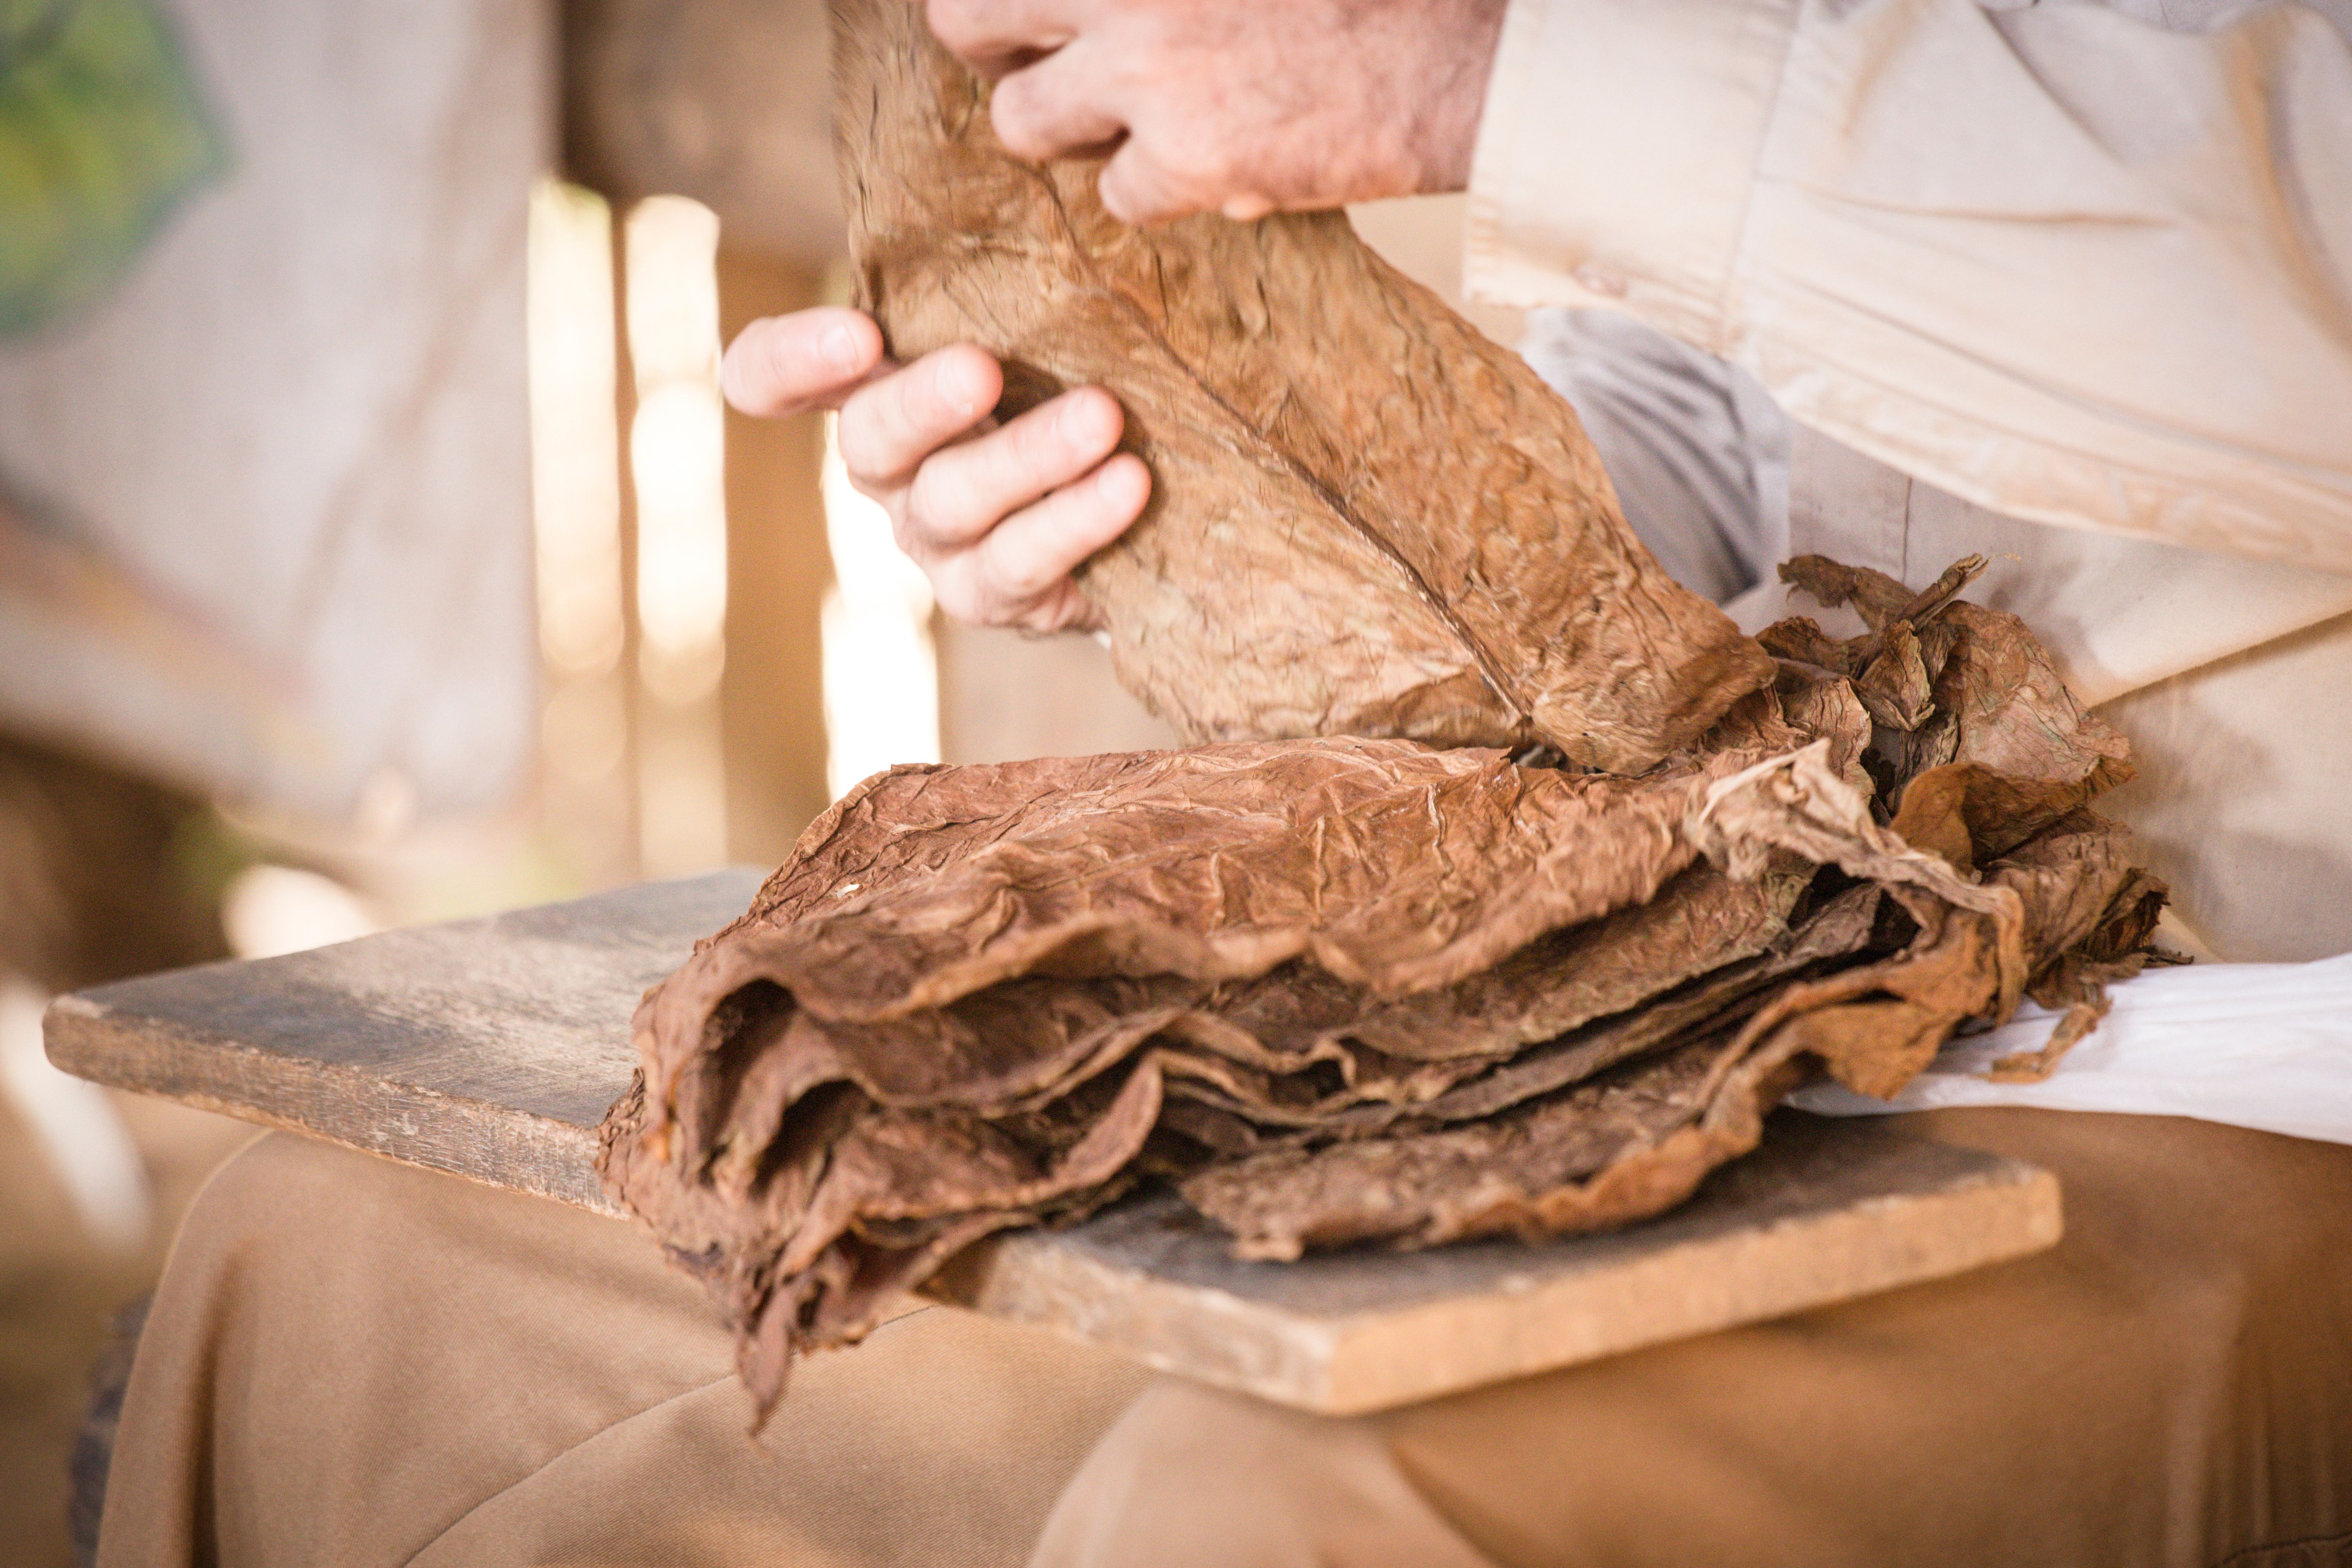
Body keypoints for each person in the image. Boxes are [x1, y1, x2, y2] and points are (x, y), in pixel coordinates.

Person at [97, 3, 2352, 1564]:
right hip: (1756, 940)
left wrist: (1488, 72)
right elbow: (1742, 429)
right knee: (343, 1282)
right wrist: (1215, 478)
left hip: (2259, 1062)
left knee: (1284, 1515)